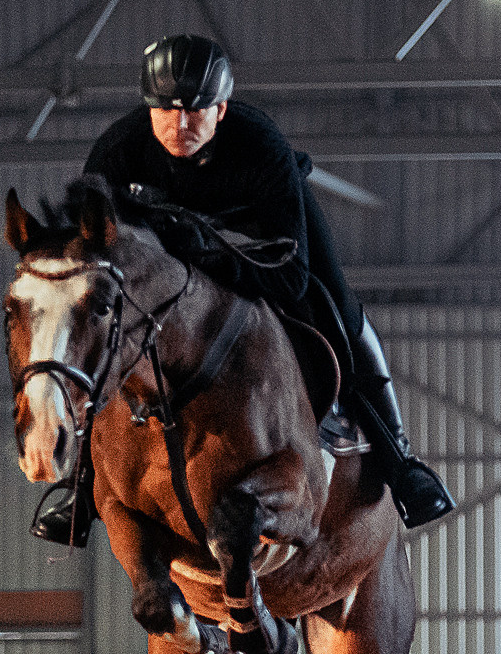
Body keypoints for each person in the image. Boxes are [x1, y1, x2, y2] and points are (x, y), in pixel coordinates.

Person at [31, 34, 457, 547]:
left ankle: (398, 458)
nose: (179, 125)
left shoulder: (259, 145)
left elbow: (288, 276)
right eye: (165, 111)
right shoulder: (118, 151)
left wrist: (207, 254)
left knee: (336, 308)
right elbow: (97, 255)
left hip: (261, 237)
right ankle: (83, 487)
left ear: (222, 108)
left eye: (195, 112)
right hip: (169, 259)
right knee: (105, 329)